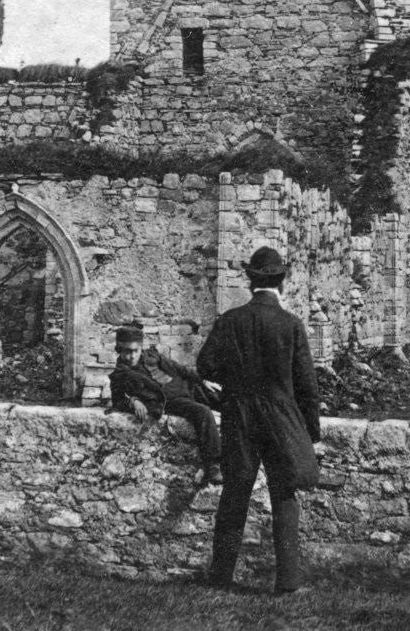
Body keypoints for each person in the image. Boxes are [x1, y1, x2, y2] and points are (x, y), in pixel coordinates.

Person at [196, 247, 321, 595]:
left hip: (239, 416)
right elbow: (308, 387)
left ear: (251, 281)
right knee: (284, 494)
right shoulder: (291, 325)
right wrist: (310, 433)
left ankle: (220, 577)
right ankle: (288, 583)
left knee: (234, 493)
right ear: (282, 281)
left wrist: (232, 387)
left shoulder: (229, 320)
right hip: (281, 420)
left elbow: (205, 366)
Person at [109, 325, 223, 484]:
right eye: (127, 351)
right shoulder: (119, 375)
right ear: (119, 349)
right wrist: (133, 401)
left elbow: (180, 369)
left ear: (141, 348)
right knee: (202, 412)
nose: (131, 356)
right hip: (172, 401)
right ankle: (213, 465)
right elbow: (117, 401)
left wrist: (202, 381)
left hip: (191, 389)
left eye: (135, 350)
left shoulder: (152, 357)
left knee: (229, 401)